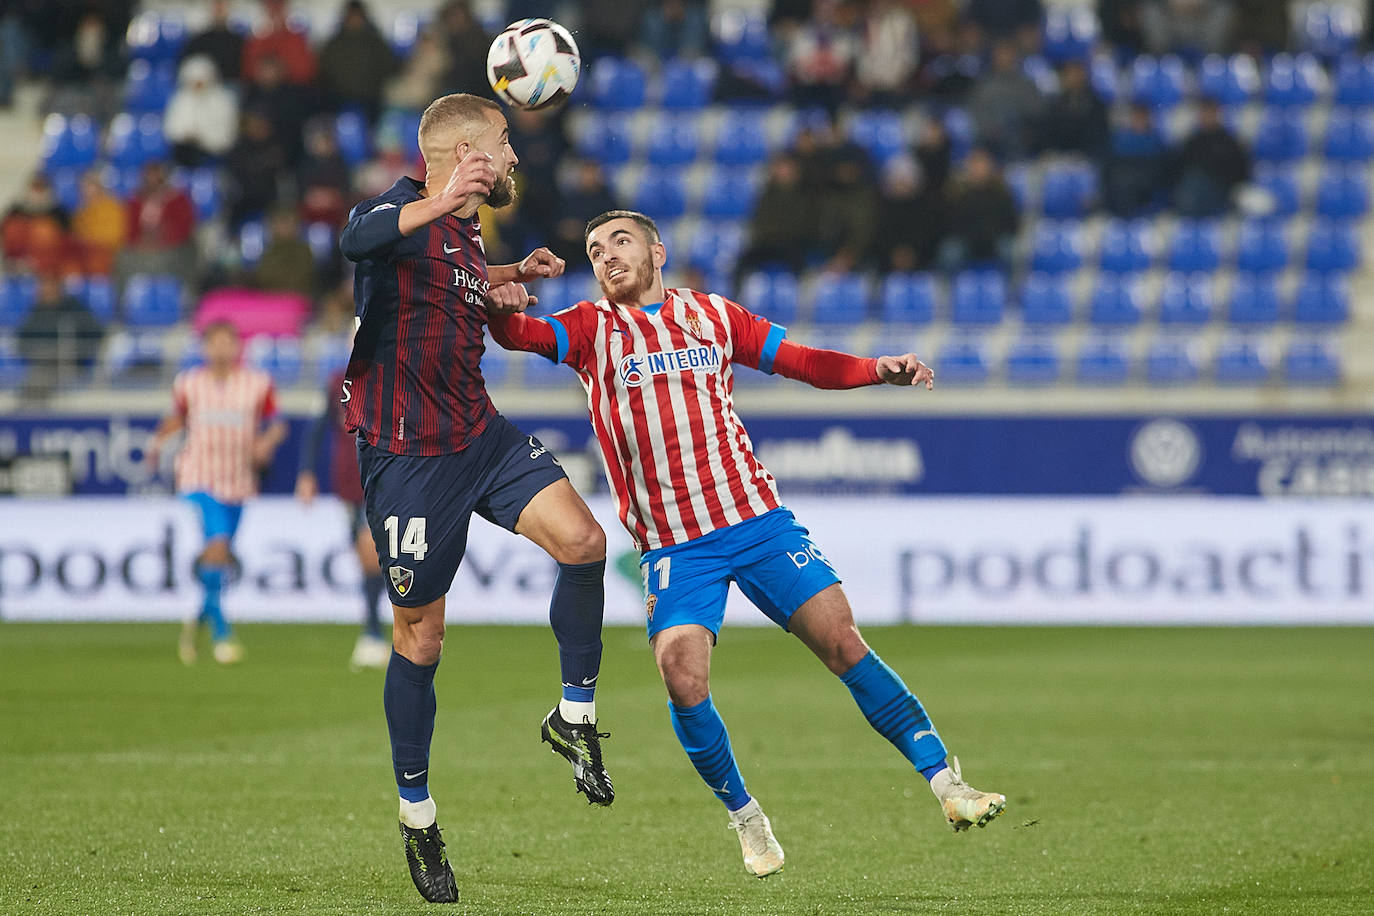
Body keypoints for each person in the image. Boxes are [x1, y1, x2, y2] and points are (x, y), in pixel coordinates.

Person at [487, 210, 1008, 878]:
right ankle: (746, 816)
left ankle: (947, 785)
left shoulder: (714, 315)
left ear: (657, 252)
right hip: (676, 546)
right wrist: (500, 307)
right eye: (594, 249)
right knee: (682, 675)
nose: (606, 255)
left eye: (620, 241)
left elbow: (804, 362)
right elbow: (522, 334)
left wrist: (877, 368)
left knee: (843, 642)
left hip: (756, 519)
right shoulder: (592, 328)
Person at [338, 92, 614, 903]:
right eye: (503, 142)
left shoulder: (463, 230)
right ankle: (418, 815)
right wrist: (440, 201)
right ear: (466, 153)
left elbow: (447, 281)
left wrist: (506, 278)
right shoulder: (399, 210)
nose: (514, 157)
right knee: (421, 640)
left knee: (586, 543)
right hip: (409, 458)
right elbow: (356, 242)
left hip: (479, 436)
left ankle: (573, 716)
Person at [147, 321, 287, 666]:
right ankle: (223, 635)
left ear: (238, 347)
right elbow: (178, 419)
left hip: (238, 480)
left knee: (220, 555)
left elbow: (277, 423)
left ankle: (199, 617)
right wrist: (157, 442)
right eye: (215, 343)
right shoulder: (188, 383)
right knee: (219, 543)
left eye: (228, 343)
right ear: (204, 348)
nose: (222, 349)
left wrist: (266, 442)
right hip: (198, 477)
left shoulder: (257, 383)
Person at [296, 368, 390, 670]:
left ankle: (373, 632)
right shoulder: (338, 382)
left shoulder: (398, 375)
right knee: (369, 557)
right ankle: (377, 631)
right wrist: (306, 472)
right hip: (350, 485)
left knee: (371, 552)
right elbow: (316, 429)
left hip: (387, 481)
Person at [1171, 100, 1250, 217]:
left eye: (1211, 113)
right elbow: (1179, 169)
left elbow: (1241, 171)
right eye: (1205, 113)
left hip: (1218, 190)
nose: (1208, 117)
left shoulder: (1229, 142)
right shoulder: (1192, 141)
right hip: (1192, 189)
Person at [164, 54, 238, 167]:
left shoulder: (223, 100)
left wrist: (203, 139)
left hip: (215, 157)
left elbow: (228, 137)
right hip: (183, 154)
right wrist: (186, 136)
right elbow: (170, 131)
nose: (197, 86)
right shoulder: (180, 99)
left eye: (201, 81)